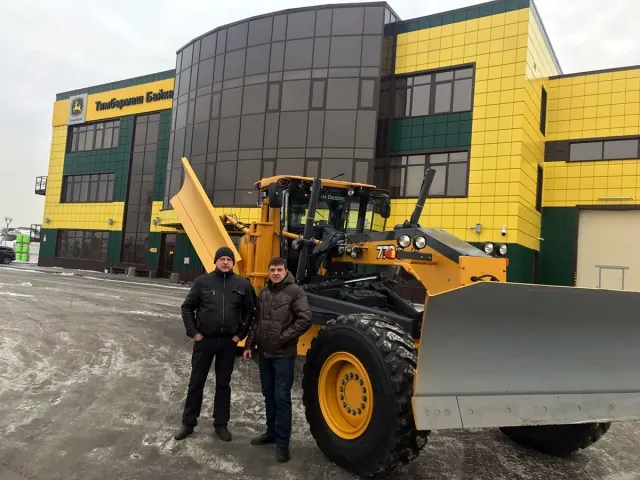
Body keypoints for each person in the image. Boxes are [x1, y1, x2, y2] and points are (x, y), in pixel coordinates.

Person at [174, 246, 255, 442]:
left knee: (223, 384)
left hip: (228, 343)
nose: (225, 262)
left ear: (233, 263)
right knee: (196, 382)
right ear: (215, 261)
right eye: (222, 259)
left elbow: (250, 312)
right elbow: (187, 308)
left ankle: (221, 424)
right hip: (205, 341)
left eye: (229, 259)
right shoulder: (202, 282)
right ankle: (188, 423)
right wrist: (194, 333)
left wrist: (239, 336)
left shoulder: (242, 284)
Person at [243, 257, 312, 462]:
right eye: (272, 270)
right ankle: (271, 432)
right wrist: (249, 345)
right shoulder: (264, 293)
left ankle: (283, 443)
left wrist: (282, 338)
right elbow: (257, 322)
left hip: (283, 355)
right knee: (268, 394)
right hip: (264, 354)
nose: (275, 273)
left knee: (281, 397)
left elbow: (305, 319)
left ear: (285, 271)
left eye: (279, 270)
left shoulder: (295, 292)